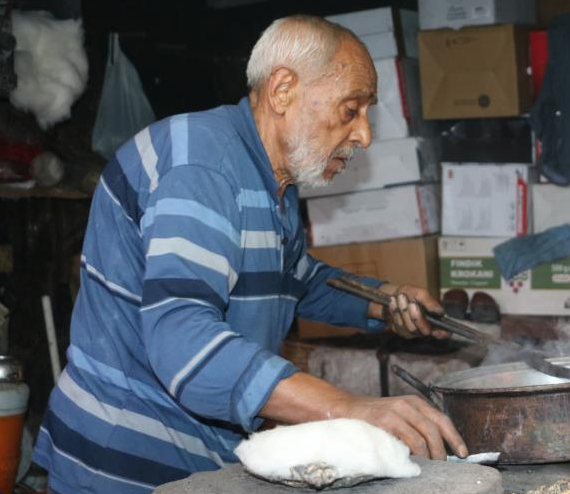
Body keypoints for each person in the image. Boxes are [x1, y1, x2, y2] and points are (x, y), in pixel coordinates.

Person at [33, 15, 467, 494]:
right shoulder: (201, 166)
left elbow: (294, 277)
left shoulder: (271, 179)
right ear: (282, 91)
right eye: (351, 110)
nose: (364, 134)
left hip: (202, 458)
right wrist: (348, 407)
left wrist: (383, 300)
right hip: (125, 466)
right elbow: (186, 345)